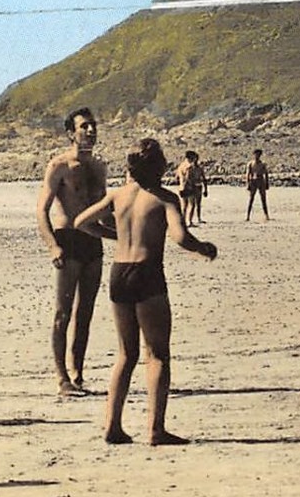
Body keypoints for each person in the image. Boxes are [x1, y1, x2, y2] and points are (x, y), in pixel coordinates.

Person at [75, 138, 217, 446]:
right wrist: (204, 248)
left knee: (126, 354)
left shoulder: (118, 195)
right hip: (147, 273)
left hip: (118, 273)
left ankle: (112, 426)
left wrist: (116, 235)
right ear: (158, 168)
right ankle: (155, 428)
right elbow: (180, 237)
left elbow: (82, 222)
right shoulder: (165, 199)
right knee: (158, 355)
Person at [37, 108, 109, 396]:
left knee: (86, 312)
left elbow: (104, 211)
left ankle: (78, 374)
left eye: (93, 126)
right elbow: (41, 211)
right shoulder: (60, 166)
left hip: (94, 243)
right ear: (71, 133)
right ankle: (62, 378)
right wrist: (53, 245)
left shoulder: (100, 166)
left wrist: (124, 233)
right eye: (84, 127)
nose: (90, 131)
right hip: (68, 241)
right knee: (62, 312)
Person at [175, 151, 207, 226]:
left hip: (181, 187)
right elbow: (189, 178)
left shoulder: (181, 166)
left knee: (184, 206)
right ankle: (189, 221)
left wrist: (180, 184)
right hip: (189, 187)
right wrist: (192, 185)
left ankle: (182, 221)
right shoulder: (189, 167)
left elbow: (176, 177)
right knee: (191, 205)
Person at [245, 149, 271, 222]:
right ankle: (248, 216)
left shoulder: (262, 164)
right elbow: (248, 174)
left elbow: (266, 174)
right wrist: (248, 183)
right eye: (256, 154)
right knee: (251, 199)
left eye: (259, 154)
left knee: (263, 199)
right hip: (253, 181)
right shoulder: (250, 164)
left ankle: (266, 215)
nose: (257, 156)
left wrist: (267, 183)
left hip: (260, 181)